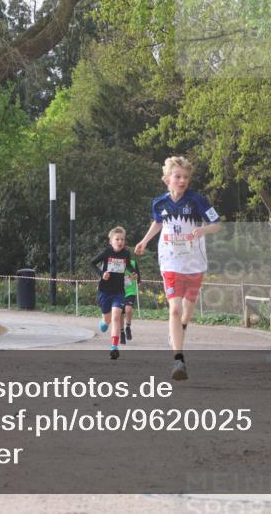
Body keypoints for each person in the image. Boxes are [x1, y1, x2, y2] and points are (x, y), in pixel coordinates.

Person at [135, 156, 221, 381]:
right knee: (174, 309)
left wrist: (202, 231)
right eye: (178, 177)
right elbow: (158, 222)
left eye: (186, 177)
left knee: (187, 312)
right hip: (171, 261)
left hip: (194, 262)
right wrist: (144, 241)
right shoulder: (159, 203)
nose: (182, 181)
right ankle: (178, 361)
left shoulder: (198, 201)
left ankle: (180, 328)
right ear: (167, 179)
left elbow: (217, 224)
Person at [91, 227, 139, 359]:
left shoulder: (126, 254)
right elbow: (91, 263)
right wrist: (102, 274)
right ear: (111, 241)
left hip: (119, 291)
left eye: (122, 239)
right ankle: (104, 322)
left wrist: (133, 272)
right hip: (105, 291)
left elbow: (128, 265)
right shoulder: (107, 252)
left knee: (116, 317)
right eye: (117, 239)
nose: (120, 241)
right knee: (107, 320)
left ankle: (114, 347)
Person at [121, 257, 139, 343]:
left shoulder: (133, 263)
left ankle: (128, 327)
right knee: (120, 312)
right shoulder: (116, 263)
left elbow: (138, 277)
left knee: (128, 310)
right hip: (119, 292)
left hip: (130, 291)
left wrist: (136, 277)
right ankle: (121, 333)